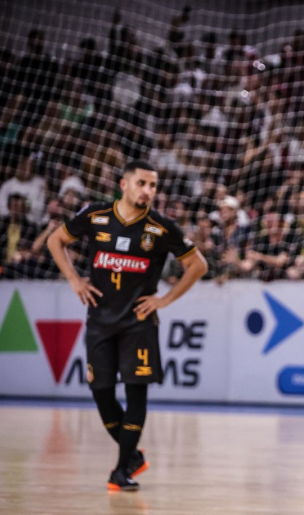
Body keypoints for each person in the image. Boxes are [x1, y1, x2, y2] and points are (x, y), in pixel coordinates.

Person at [46, 160, 207, 491]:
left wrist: (163, 300)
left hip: (139, 324)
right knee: (101, 393)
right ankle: (132, 455)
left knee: (137, 396)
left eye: (153, 186)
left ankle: (121, 471)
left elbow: (198, 265)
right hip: (100, 320)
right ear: (124, 184)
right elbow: (54, 242)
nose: (148, 190)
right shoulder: (95, 216)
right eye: (143, 183)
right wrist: (75, 280)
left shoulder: (162, 228)